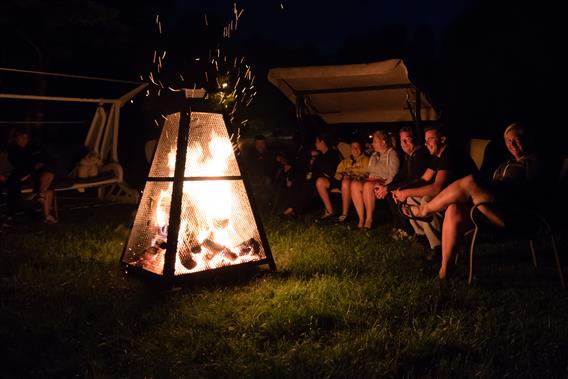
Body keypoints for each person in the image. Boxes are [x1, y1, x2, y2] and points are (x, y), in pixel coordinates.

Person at [402, 122, 538, 280]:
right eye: (508, 141)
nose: (512, 144)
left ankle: (424, 210)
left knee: (469, 182)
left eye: (516, 139)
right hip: (494, 208)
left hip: (516, 213)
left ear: (527, 139)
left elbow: (531, 192)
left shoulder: (534, 161)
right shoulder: (506, 164)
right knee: (454, 209)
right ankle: (445, 270)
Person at [392, 125, 476, 258]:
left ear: (442, 139)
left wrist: (406, 192)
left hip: (466, 199)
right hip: (450, 195)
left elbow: (437, 188)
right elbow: (425, 178)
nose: (426, 143)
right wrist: (403, 190)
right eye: (426, 140)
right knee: (410, 199)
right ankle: (422, 237)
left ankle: (438, 247)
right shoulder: (437, 155)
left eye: (430, 139)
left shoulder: (449, 153)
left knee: (427, 200)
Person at [386, 127, 430, 240]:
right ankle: (401, 226)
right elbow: (400, 176)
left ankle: (408, 230)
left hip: (422, 188)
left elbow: (413, 179)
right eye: (402, 140)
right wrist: (387, 187)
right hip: (413, 185)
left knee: (399, 194)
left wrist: (392, 189)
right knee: (391, 192)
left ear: (415, 139)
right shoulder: (409, 156)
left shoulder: (420, 154)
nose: (404, 143)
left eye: (407, 139)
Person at [6, 128, 57, 224]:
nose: (25, 140)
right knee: (48, 181)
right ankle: (47, 214)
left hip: (40, 173)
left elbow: (45, 156)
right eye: (22, 138)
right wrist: (34, 166)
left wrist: (41, 162)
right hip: (25, 175)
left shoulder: (31, 147)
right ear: (15, 138)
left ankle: (41, 198)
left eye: (26, 138)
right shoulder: (13, 150)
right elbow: (19, 165)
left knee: (49, 172)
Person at [282, 135, 341, 217]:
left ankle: (297, 210)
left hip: (327, 179)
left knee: (307, 182)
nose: (315, 144)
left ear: (323, 143)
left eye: (317, 142)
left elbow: (330, 169)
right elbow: (303, 160)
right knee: (298, 180)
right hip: (313, 177)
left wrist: (316, 160)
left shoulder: (332, 153)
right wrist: (310, 155)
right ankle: (290, 207)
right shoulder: (318, 153)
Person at [351, 130, 400, 229]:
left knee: (368, 185)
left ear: (383, 142)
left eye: (375, 141)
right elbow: (368, 171)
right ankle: (361, 219)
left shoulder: (392, 154)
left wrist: (386, 187)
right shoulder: (374, 155)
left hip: (382, 181)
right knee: (355, 184)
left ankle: (369, 219)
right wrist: (362, 176)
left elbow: (393, 175)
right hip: (370, 180)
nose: (372, 144)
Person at [315, 140, 369, 221]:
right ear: (350, 149)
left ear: (361, 148)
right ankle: (330, 211)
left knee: (345, 182)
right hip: (342, 179)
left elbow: (366, 173)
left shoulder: (366, 160)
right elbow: (338, 172)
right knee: (320, 182)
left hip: (354, 180)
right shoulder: (346, 161)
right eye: (353, 148)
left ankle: (344, 214)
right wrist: (340, 174)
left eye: (357, 148)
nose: (355, 150)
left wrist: (351, 176)